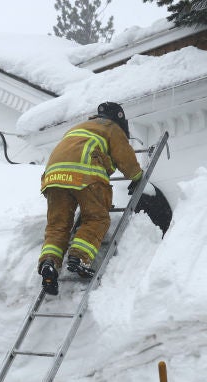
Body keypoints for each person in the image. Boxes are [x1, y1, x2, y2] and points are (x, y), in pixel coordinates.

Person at [38, 101, 144, 295]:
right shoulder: (111, 127)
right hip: (84, 174)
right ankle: (79, 258)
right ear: (119, 119)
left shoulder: (79, 127)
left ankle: (49, 264)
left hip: (53, 177)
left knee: (57, 226)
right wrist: (137, 177)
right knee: (97, 218)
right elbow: (125, 157)